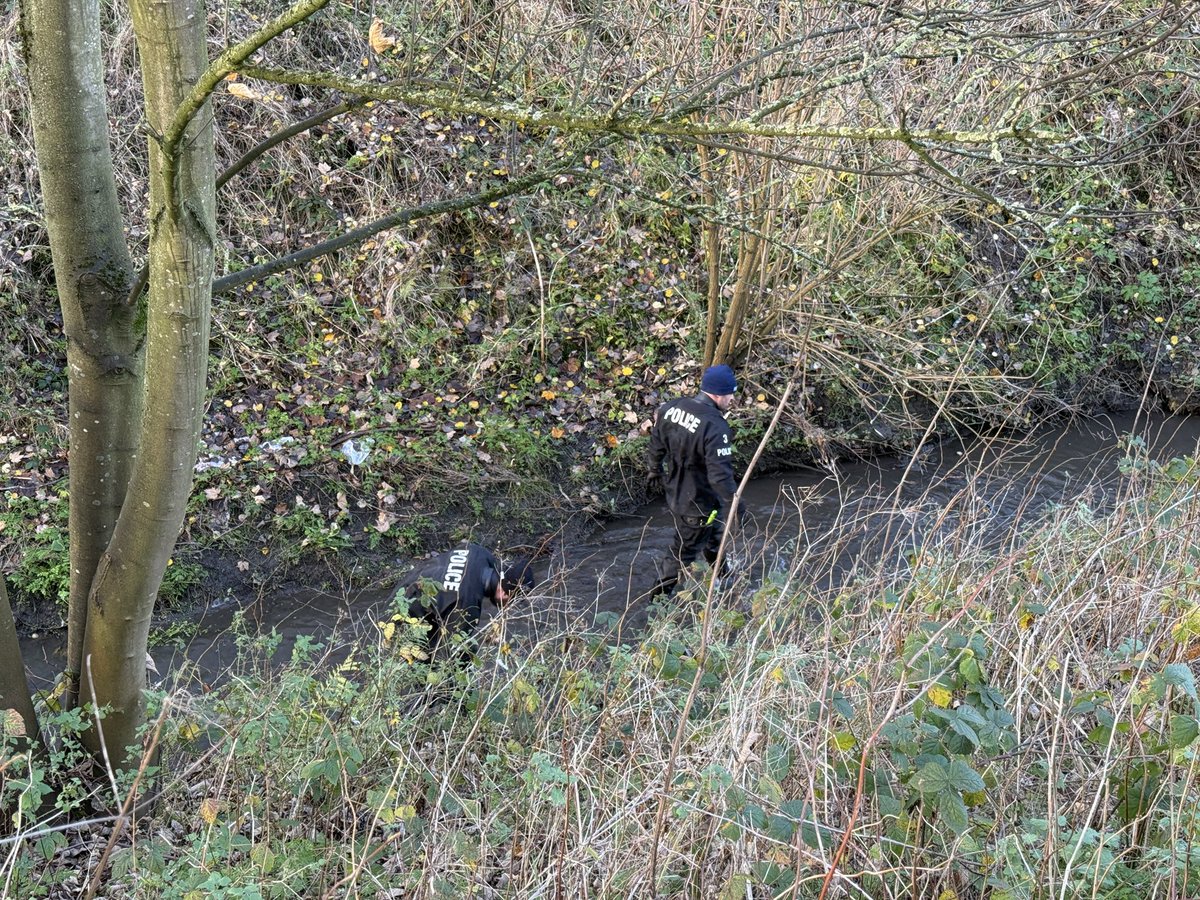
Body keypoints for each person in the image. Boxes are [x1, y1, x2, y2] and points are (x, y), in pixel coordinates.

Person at [645, 364, 738, 595]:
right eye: (730, 393)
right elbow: (719, 475)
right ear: (717, 394)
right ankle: (658, 599)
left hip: (676, 490)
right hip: (697, 503)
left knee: (713, 535)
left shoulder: (671, 408)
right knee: (683, 552)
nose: (732, 398)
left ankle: (723, 577)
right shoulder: (716, 427)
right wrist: (735, 504)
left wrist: (654, 468)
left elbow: (657, 439)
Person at [400, 543, 534, 652]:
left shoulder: (479, 552)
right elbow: (456, 651)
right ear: (505, 593)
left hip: (408, 582)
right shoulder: (468, 604)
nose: (508, 606)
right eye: (511, 601)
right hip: (404, 613)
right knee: (429, 659)